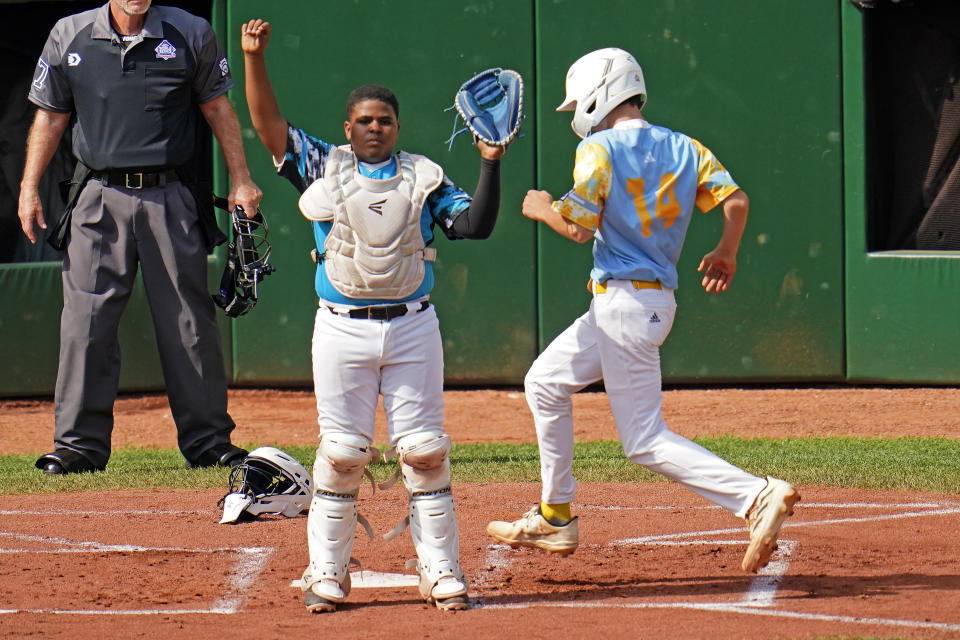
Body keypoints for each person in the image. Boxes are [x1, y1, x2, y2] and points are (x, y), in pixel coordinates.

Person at [487, 48, 799, 574]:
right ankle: (555, 513)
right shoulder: (684, 146)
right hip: (641, 303)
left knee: (645, 441)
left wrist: (542, 209)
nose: (576, 115)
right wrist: (727, 250)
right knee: (544, 381)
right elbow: (737, 201)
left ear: (598, 93)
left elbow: (579, 228)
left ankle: (755, 495)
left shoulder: (598, 149)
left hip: (625, 306)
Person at [240, 19, 506, 612]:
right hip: (340, 326)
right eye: (364, 120)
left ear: (397, 127)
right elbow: (268, 128)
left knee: (425, 450)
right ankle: (326, 573)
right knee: (341, 453)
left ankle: (440, 571)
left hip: (413, 324)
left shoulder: (423, 175)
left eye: (384, 119)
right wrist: (254, 61)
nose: (375, 127)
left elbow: (474, 225)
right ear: (348, 128)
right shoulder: (323, 166)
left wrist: (490, 162)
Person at [18, 0, 262, 474]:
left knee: (189, 323)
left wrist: (241, 178)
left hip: (170, 194)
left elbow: (217, 107)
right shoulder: (69, 34)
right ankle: (77, 447)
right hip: (97, 196)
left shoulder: (190, 32)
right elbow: (49, 116)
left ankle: (209, 441)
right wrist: (29, 186)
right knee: (84, 323)